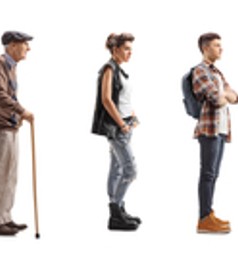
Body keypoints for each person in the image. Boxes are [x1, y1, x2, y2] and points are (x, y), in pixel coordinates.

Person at [0, 31, 35, 237]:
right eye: (24, 44)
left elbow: (7, 95)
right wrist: (22, 110)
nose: (28, 48)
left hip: (9, 126)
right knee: (0, 175)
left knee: (10, 176)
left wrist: (17, 116)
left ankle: (5, 217)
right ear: (12, 45)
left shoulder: (11, 66)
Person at [188, 32, 238, 234]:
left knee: (214, 174)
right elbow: (217, 99)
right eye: (217, 45)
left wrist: (224, 95)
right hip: (208, 129)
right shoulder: (200, 71)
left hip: (221, 129)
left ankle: (209, 214)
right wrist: (224, 95)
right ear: (205, 48)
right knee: (207, 174)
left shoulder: (217, 72)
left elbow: (237, 97)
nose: (221, 48)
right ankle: (203, 218)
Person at [92, 32, 142, 231]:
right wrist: (122, 124)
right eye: (127, 48)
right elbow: (106, 100)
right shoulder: (109, 69)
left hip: (127, 125)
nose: (130, 52)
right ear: (115, 50)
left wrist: (133, 116)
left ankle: (119, 209)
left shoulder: (119, 70)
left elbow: (122, 99)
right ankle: (115, 213)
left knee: (117, 169)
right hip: (118, 128)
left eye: (131, 48)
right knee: (130, 170)